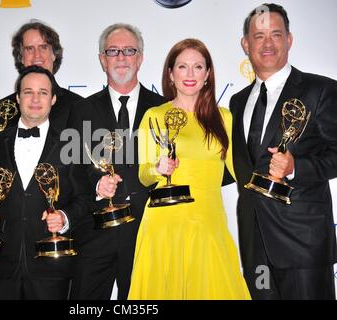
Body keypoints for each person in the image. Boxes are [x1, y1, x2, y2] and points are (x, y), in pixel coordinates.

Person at [127, 39, 250, 300]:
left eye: (198, 67)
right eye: (182, 67)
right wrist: (159, 168)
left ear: (208, 74)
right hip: (164, 224)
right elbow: (143, 174)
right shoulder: (154, 115)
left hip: (208, 222)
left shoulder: (224, 117)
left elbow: (241, 172)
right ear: (171, 74)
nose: (190, 74)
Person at [230, 3, 337, 299]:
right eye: (259, 35)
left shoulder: (321, 90)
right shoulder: (237, 102)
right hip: (255, 244)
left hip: (302, 242)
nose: (267, 44)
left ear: (289, 40)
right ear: (245, 44)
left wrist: (296, 167)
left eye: (276, 35)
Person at [68, 23, 166, 300]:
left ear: (141, 57)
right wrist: (96, 184)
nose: (121, 57)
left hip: (147, 231)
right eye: (113, 51)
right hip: (95, 229)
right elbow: (73, 168)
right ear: (102, 59)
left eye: (129, 50)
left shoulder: (163, 108)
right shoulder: (82, 110)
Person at [0, 65, 90, 300]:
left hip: (51, 265)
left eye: (43, 92)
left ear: (54, 99)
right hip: (3, 262)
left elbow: (85, 197)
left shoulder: (70, 144)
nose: (35, 99)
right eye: (28, 92)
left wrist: (65, 218)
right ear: (18, 98)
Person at [0, 20, 83, 132]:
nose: (37, 55)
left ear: (54, 54)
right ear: (21, 57)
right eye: (29, 49)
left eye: (43, 47)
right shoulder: (3, 109)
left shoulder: (78, 106)